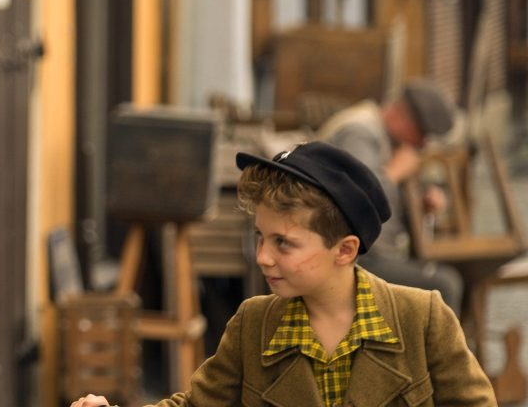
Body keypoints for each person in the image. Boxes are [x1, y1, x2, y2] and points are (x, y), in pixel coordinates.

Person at [72, 142, 493, 407]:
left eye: (283, 243)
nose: (263, 257)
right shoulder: (253, 325)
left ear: (344, 250)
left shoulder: (423, 319)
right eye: (260, 237)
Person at [317, 80, 464, 313]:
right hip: (350, 258)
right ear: (400, 115)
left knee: (452, 272)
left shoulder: (388, 139)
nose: (423, 143)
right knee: (445, 286)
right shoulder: (359, 132)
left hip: (375, 253)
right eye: (422, 133)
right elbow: (358, 200)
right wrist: (395, 172)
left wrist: (424, 200)